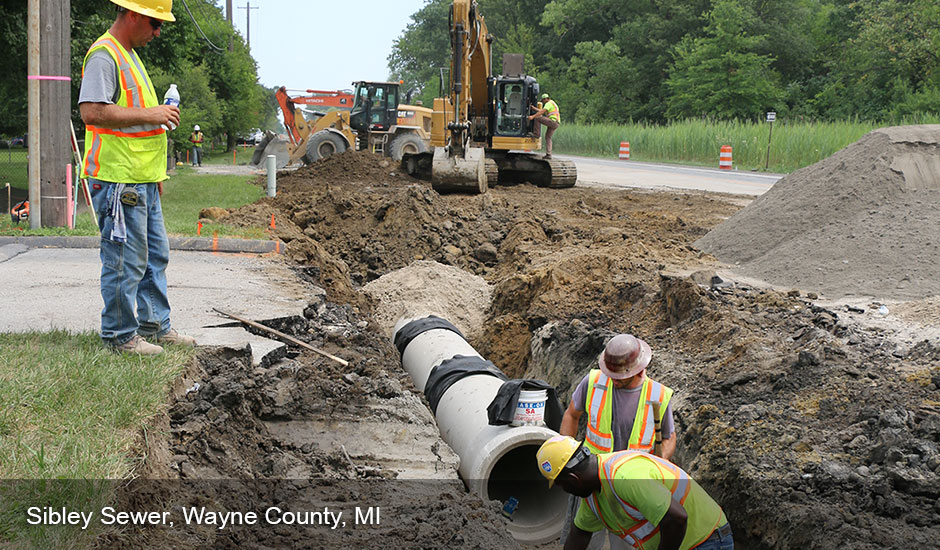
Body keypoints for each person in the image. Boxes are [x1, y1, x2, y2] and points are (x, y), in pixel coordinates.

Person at [78, 0, 195, 355]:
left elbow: (135, 123)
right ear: (131, 14)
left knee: (153, 256)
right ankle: (119, 336)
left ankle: (154, 325)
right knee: (124, 260)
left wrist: (153, 175)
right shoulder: (105, 55)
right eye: (154, 23)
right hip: (118, 179)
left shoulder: (129, 55)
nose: (158, 32)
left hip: (141, 179)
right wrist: (152, 112)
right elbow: (92, 111)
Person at [559, 333, 676, 548]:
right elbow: (571, 414)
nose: (612, 379)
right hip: (591, 480)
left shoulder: (658, 395)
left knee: (627, 543)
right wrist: (566, 453)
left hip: (629, 487)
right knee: (582, 538)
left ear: (639, 369)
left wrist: (661, 462)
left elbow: (668, 437)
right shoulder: (594, 382)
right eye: (610, 373)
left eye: (619, 377)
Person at [537, 436, 733, 550]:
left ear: (574, 479)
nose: (565, 491)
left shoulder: (624, 477)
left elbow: (677, 518)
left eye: (562, 485)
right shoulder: (595, 497)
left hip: (707, 540)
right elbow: (579, 535)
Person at [529, 92, 560, 159]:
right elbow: (542, 110)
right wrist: (534, 108)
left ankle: (536, 134)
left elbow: (542, 112)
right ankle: (548, 154)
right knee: (548, 137)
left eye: (543, 100)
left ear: (546, 99)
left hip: (552, 121)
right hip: (556, 123)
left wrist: (532, 116)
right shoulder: (552, 103)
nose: (543, 102)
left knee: (537, 118)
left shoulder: (549, 103)